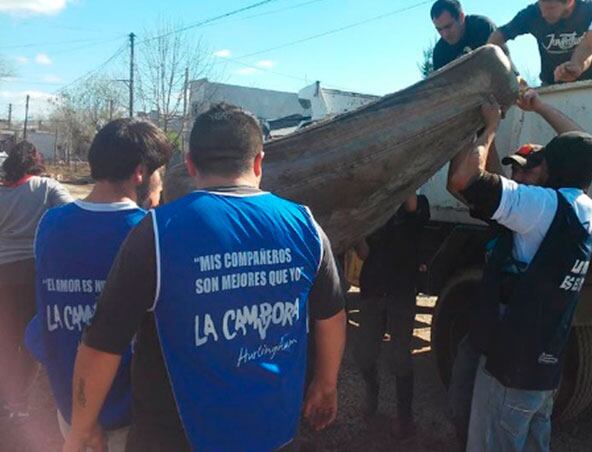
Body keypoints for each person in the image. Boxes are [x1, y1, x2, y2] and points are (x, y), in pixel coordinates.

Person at [63, 103, 347, 452]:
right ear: (259, 162)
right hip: (275, 434)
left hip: (175, 439)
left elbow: (103, 342)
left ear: (191, 163)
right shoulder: (306, 226)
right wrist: (326, 383)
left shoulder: (156, 232)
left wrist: (81, 428)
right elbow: (330, 316)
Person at [447, 91, 592, 451]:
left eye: (534, 165)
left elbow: (463, 180)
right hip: (542, 357)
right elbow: (589, 147)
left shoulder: (539, 207)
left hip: (510, 360)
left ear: (552, 171)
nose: (518, 174)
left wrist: (489, 126)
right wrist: (541, 107)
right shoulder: (581, 205)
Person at [23, 119, 171, 451]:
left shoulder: (51, 224)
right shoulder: (152, 232)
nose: (161, 181)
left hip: (70, 406)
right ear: (139, 173)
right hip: (127, 414)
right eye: (159, 172)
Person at [0, 141, 72, 419]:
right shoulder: (46, 188)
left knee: (6, 338)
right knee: (30, 338)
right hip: (33, 272)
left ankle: (7, 397)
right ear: (35, 162)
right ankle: (18, 403)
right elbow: (71, 214)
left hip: (3, 273)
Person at [353, 194, 430, 439]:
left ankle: (404, 417)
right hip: (373, 289)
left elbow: (412, 206)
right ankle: (372, 390)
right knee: (365, 353)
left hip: (401, 291)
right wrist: (357, 231)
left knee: (400, 356)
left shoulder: (417, 206)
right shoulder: (372, 208)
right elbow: (364, 253)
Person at [488, 0, 592, 86]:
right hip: (552, 86)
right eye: (541, 6)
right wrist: (508, 75)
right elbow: (497, 36)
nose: (544, 14)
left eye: (550, 8)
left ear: (570, 2)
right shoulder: (531, 14)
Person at [431, 0, 499, 71]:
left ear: (461, 17)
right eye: (439, 29)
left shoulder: (482, 27)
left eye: (448, 26)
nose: (445, 34)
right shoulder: (439, 52)